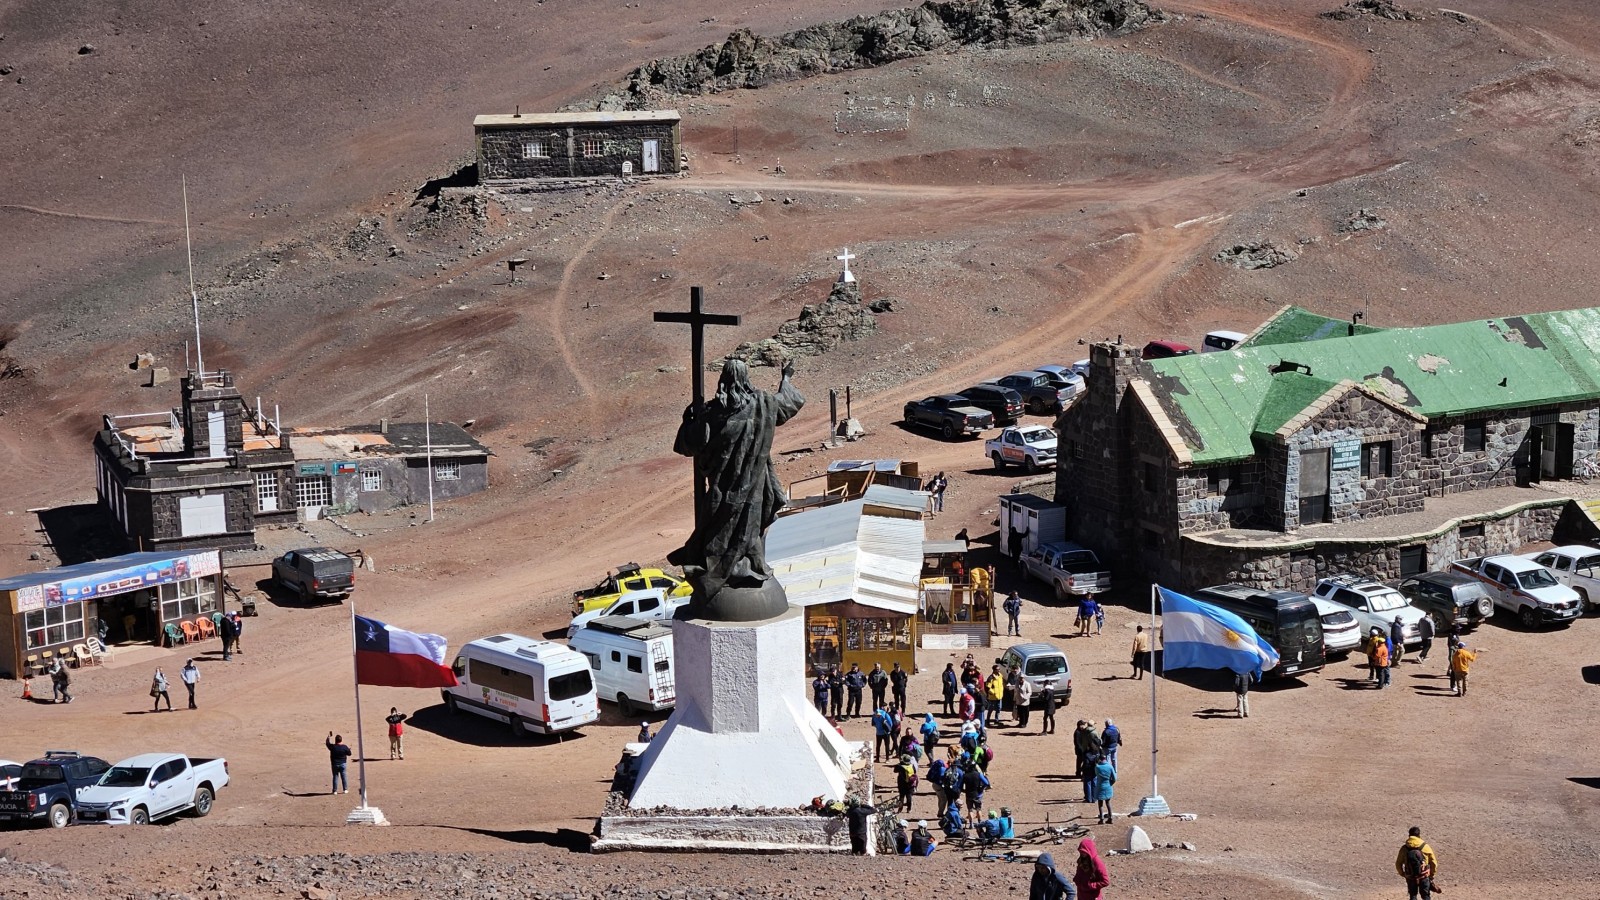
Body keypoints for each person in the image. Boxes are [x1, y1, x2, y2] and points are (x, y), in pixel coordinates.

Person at [668, 359, 803, 620]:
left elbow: (688, 444)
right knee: (748, 527)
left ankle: (738, 568)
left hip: (723, 490)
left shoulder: (712, 413)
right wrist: (786, 378)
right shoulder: (763, 403)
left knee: (720, 530)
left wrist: (689, 420)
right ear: (746, 378)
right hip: (754, 486)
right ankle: (748, 566)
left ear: (723, 379)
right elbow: (789, 403)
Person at [1395, 825, 1439, 899]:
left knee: (1413, 896)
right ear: (1419, 835)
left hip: (1410, 876)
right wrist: (1431, 874)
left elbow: (1398, 864)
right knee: (1426, 896)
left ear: (1409, 835)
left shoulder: (1404, 848)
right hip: (1424, 875)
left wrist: (1403, 874)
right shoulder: (1425, 846)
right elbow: (1434, 862)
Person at [1091, 754, 1116, 824]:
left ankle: (1101, 819)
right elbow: (1114, 778)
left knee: (1100, 804)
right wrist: (1110, 784)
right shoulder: (1110, 766)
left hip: (1100, 786)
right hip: (1108, 786)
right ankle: (1110, 817)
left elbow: (1096, 774)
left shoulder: (1097, 767)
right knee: (1108, 803)